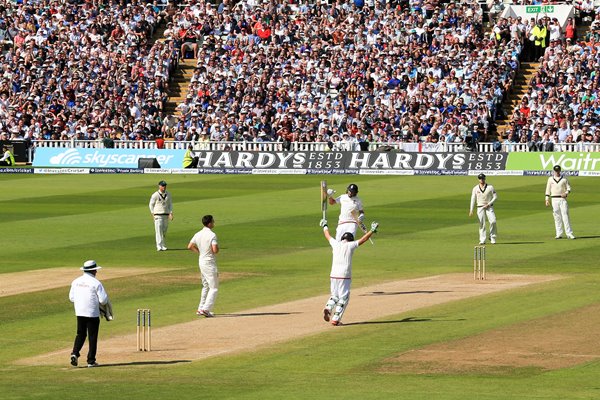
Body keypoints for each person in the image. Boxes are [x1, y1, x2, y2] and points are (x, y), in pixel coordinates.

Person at [319, 218, 378, 326]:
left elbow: (327, 235)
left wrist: (325, 226)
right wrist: (372, 231)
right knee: (344, 297)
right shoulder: (350, 245)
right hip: (344, 275)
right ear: (350, 239)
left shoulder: (336, 244)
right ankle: (336, 319)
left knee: (335, 295)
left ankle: (328, 307)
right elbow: (363, 239)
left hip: (333, 274)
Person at [69, 260, 110, 368]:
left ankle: (74, 353)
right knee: (92, 337)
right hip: (92, 313)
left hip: (79, 312)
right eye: (95, 270)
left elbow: (71, 298)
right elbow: (103, 300)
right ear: (93, 271)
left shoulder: (75, 281)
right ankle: (91, 361)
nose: (96, 272)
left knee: (80, 334)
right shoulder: (96, 283)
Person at [187, 215, 220, 317]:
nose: (214, 223)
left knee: (206, 286)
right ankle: (206, 309)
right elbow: (215, 250)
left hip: (201, 261)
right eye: (213, 221)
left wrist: (200, 252)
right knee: (214, 288)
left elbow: (190, 246)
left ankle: (200, 308)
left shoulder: (198, 234)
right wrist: (217, 249)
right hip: (209, 263)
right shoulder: (212, 235)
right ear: (209, 223)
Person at [545, 165, 575, 239]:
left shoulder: (564, 179)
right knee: (557, 216)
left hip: (562, 199)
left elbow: (569, 188)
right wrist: (546, 199)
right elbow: (548, 189)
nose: (557, 172)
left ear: (560, 171)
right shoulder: (550, 179)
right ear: (553, 171)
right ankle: (559, 233)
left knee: (565, 216)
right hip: (554, 199)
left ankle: (569, 233)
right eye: (556, 171)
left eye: (558, 171)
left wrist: (566, 193)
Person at [469, 173, 498, 245]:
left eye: (482, 178)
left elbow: (495, 197)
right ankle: (482, 239)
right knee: (482, 223)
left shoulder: (490, 187)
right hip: (480, 207)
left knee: (493, 221)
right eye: (480, 178)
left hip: (489, 206)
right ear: (478, 179)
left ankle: (492, 237)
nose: (481, 180)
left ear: (485, 179)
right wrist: (471, 210)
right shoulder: (475, 188)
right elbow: (473, 199)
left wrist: (488, 204)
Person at [149, 180, 173, 251]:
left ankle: (163, 245)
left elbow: (170, 204)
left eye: (165, 185)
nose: (164, 187)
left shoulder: (168, 194)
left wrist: (170, 213)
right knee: (158, 231)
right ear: (159, 186)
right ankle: (159, 246)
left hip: (166, 215)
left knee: (164, 231)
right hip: (158, 215)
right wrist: (152, 213)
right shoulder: (155, 195)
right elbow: (151, 204)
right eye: (162, 186)